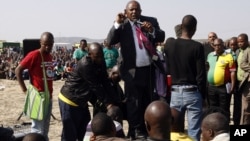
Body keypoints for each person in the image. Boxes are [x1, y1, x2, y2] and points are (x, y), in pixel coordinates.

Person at [106, 1, 165, 139]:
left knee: (147, 100)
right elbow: (110, 41)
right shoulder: (122, 25)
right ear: (125, 11)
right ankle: (135, 130)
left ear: (140, 11)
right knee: (133, 103)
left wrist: (152, 30)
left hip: (149, 70)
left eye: (137, 10)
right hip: (131, 72)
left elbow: (161, 36)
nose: (134, 12)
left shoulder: (150, 21)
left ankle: (146, 128)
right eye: (131, 10)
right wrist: (117, 24)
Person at [58, 42, 119, 141]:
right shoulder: (85, 64)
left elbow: (105, 81)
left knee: (85, 132)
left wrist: (114, 100)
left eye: (101, 56)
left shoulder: (101, 61)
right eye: (97, 56)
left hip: (82, 101)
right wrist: (108, 104)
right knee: (70, 134)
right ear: (89, 55)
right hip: (69, 100)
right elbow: (95, 86)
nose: (100, 59)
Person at [164, 15, 206, 141]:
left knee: (174, 130)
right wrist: (203, 96)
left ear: (181, 26)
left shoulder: (169, 45)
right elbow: (201, 75)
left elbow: (168, 69)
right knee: (194, 131)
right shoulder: (197, 47)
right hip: (193, 93)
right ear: (195, 29)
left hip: (175, 92)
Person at [15, 32, 54, 141]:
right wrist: (24, 90)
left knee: (45, 129)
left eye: (50, 44)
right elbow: (18, 70)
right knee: (37, 129)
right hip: (38, 97)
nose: (48, 47)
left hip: (48, 97)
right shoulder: (34, 55)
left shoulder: (49, 56)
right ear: (40, 42)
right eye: (45, 44)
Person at [206, 38, 236, 122]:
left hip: (223, 87)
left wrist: (232, 86)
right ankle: (214, 125)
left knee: (224, 108)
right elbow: (208, 68)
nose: (217, 47)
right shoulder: (210, 55)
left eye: (219, 45)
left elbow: (233, 72)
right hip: (211, 87)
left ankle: (225, 127)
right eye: (215, 45)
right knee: (213, 108)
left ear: (223, 45)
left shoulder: (229, 56)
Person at [226, 37, 242, 125]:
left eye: (235, 44)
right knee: (227, 102)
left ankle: (236, 121)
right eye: (231, 45)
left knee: (237, 103)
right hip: (228, 81)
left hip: (238, 81)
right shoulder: (226, 53)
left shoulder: (240, 53)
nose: (233, 46)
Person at [238, 33, 250, 125]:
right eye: (239, 42)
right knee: (245, 109)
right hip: (248, 85)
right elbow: (242, 64)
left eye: (241, 41)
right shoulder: (247, 51)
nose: (240, 44)